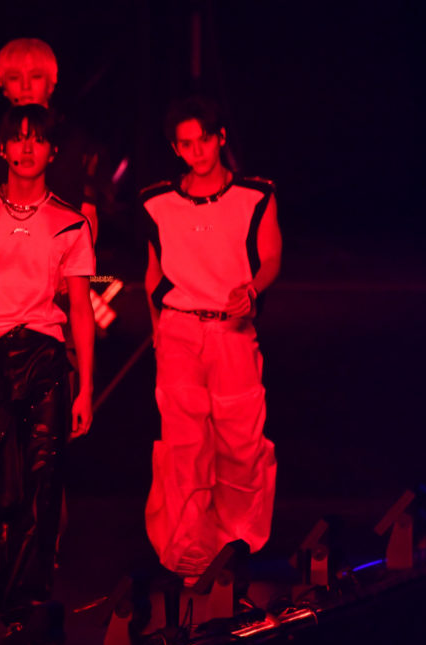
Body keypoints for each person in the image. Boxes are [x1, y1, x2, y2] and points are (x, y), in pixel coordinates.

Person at [0, 104, 95, 630]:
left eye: (38, 139)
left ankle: (24, 600)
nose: (27, 148)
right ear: (3, 148)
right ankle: (6, 585)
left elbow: (81, 309)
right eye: (19, 139)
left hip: (46, 355)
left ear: (52, 151)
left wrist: (86, 387)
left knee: (43, 482)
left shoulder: (69, 221)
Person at [141, 95, 281, 584]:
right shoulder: (157, 202)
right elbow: (153, 272)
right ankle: (187, 547)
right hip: (179, 327)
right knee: (184, 444)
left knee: (240, 439)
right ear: (175, 149)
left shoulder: (255, 195)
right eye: (186, 144)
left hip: (231, 328)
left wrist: (252, 290)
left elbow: (270, 256)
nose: (196, 151)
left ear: (220, 138)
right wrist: (158, 329)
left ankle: (237, 540)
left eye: (203, 139)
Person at [0, 37, 101, 239]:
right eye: (15, 78)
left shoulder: (78, 144)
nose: (25, 86)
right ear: (2, 84)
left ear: (52, 83)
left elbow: (88, 222)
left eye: (36, 76)